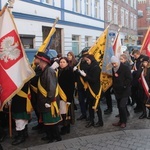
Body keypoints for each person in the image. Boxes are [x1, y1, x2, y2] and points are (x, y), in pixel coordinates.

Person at [37, 53, 62, 143]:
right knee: (47, 120)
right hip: (45, 100)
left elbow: (51, 88)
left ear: (42, 61)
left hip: (49, 101)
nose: (37, 62)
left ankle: (56, 137)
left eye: (38, 60)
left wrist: (48, 100)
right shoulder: (44, 70)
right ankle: (49, 135)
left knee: (52, 121)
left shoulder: (49, 71)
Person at [78, 54, 103, 128]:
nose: (87, 62)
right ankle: (91, 120)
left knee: (96, 106)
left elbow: (94, 80)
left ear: (91, 60)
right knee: (90, 106)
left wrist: (85, 76)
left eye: (88, 60)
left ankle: (100, 121)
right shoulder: (89, 67)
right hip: (89, 89)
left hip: (95, 90)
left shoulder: (96, 67)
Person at [111, 56, 132, 128]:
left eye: (115, 63)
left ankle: (124, 121)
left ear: (118, 62)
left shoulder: (125, 68)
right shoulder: (113, 69)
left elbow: (129, 79)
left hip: (125, 91)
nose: (114, 65)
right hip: (117, 91)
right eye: (112, 64)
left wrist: (124, 85)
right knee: (119, 107)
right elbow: (114, 79)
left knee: (122, 106)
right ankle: (120, 121)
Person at [57, 57, 75, 135]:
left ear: (67, 63)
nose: (62, 63)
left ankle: (66, 127)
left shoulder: (69, 72)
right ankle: (64, 126)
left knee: (66, 113)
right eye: (60, 62)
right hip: (60, 95)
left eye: (64, 62)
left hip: (66, 96)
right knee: (62, 112)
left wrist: (69, 99)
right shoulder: (59, 71)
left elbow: (71, 86)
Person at [73, 49, 89, 120]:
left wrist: (78, 71)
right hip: (80, 85)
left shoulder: (89, 63)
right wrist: (75, 70)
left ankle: (90, 115)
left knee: (89, 101)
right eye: (83, 56)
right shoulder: (79, 63)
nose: (85, 57)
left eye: (86, 55)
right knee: (81, 100)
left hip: (87, 85)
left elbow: (86, 75)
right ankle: (83, 114)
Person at [30, 52, 43, 132]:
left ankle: (43, 126)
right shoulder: (36, 67)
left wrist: (29, 78)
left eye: (36, 58)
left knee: (40, 110)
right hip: (34, 93)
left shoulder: (41, 68)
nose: (34, 60)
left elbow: (35, 78)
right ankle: (39, 123)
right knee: (36, 109)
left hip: (39, 92)